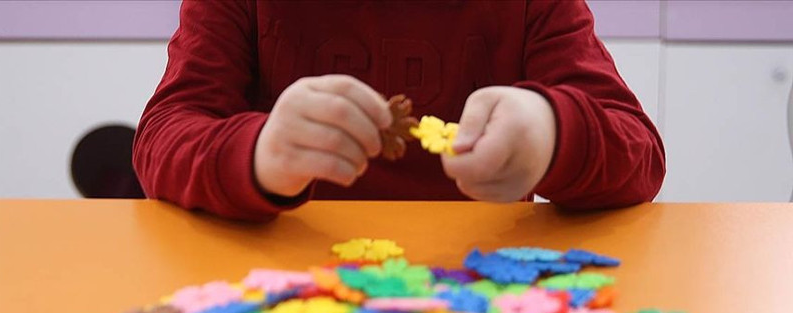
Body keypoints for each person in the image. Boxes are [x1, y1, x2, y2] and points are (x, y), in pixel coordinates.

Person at [134, 0, 665, 221]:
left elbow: (639, 152)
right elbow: (165, 133)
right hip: (276, 286)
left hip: (478, 295)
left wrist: (551, 132)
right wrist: (257, 155)